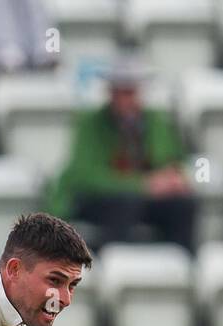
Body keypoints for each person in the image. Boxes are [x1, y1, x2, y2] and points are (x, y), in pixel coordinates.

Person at [46, 59, 195, 250]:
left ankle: (179, 261)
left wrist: (175, 178)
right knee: (125, 203)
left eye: (130, 92)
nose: (124, 100)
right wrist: (143, 185)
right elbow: (85, 176)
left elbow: (175, 159)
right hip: (101, 199)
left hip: (142, 199)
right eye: (119, 92)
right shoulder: (90, 123)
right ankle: (114, 258)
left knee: (183, 206)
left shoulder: (156, 121)